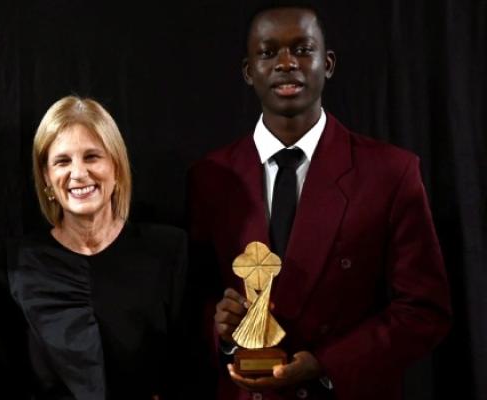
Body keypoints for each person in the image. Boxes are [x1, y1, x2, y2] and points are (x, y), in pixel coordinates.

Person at [187, 5, 451, 400]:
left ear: (327, 64)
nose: (286, 63)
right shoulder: (210, 176)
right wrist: (221, 331)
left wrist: (328, 364)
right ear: (248, 71)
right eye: (268, 53)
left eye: (302, 49)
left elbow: (425, 310)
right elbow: (190, 298)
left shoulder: (391, 173)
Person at [0, 96, 187, 399]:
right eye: (62, 161)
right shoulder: (16, 262)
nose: (78, 173)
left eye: (92, 157)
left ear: (117, 166)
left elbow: (189, 365)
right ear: (46, 177)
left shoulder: (168, 251)